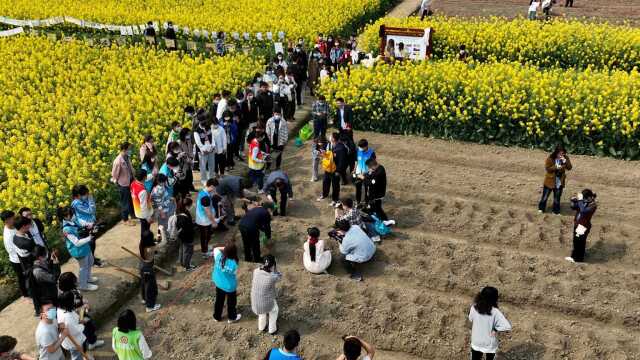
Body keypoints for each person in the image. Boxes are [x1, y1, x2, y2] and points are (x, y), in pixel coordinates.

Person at [57, 272, 104, 350]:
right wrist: (83, 308)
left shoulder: (66, 292)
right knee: (88, 328)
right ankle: (91, 343)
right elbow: (75, 310)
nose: (77, 280)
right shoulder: (71, 295)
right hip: (79, 316)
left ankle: (91, 341)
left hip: (78, 314)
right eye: (74, 280)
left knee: (88, 327)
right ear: (70, 283)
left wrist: (83, 301)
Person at [58, 206, 96, 292]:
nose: (73, 215)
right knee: (83, 267)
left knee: (90, 262)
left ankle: (89, 278)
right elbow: (76, 242)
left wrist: (89, 224)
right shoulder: (66, 229)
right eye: (71, 214)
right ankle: (83, 285)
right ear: (65, 217)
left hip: (85, 246)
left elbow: (81, 222)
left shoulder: (73, 220)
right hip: (78, 250)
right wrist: (89, 238)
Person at [468, 287, 512, 360]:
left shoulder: (474, 307)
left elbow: (470, 319)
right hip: (489, 343)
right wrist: (495, 329)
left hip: (476, 341)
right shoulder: (495, 312)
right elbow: (507, 326)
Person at [71, 185, 103, 268]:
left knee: (92, 242)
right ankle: (91, 261)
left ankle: (92, 259)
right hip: (85, 226)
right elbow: (91, 210)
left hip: (90, 224)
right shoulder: (76, 203)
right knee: (90, 243)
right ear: (78, 195)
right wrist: (90, 199)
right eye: (85, 194)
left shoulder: (80, 200)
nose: (87, 195)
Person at [251, 255, 282, 335]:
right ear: (272, 266)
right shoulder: (272, 277)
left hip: (255, 302)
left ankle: (262, 327)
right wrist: (275, 269)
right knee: (274, 310)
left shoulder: (256, 271)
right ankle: (272, 329)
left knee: (262, 313)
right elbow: (279, 276)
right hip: (266, 303)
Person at [211, 242, 241, 323]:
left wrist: (225, 248)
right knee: (231, 303)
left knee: (219, 300)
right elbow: (234, 273)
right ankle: (232, 317)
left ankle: (217, 316)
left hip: (218, 283)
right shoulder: (234, 263)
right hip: (229, 287)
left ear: (225, 250)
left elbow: (216, 249)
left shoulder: (218, 256)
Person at [565, 189, 598, 263]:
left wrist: (580, 201)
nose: (584, 200)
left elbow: (583, 211)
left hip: (582, 226)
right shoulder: (584, 202)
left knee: (579, 242)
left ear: (589, 197)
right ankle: (577, 257)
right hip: (578, 224)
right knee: (577, 241)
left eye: (585, 198)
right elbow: (574, 207)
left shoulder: (593, 205)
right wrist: (573, 201)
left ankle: (577, 258)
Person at [27, 246, 60, 318]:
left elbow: (48, 269)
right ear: (40, 257)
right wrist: (56, 265)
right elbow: (53, 278)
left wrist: (51, 260)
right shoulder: (38, 271)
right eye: (45, 254)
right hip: (47, 299)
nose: (47, 255)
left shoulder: (39, 263)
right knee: (54, 317)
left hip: (50, 294)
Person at [538, 145, 572, 214]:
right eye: (560, 153)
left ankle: (556, 211)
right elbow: (548, 169)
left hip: (559, 181)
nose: (561, 155)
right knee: (545, 197)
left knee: (557, 198)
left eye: (563, 153)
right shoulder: (550, 158)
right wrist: (556, 167)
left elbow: (569, 167)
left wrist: (565, 161)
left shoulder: (565, 158)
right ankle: (541, 209)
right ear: (556, 152)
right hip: (550, 181)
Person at [1, 210, 28, 298]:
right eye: (12, 218)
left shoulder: (14, 226)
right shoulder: (8, 235)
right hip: (17, 259)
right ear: (6, 221)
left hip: (23, 255)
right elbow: (11, 250)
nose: (14, 219)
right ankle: (25, 295)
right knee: (22, 278)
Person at [56, 292, 89, 360]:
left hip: (70, 339)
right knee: (77, 356)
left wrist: (81, 309)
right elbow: (76, 330)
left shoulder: (60, 309)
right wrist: (83, 322)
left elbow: (72, 313)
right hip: (74, 342)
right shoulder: (68, 318)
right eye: (73, 300)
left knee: (78, 353)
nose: (75, 301)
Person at [195, 179, 223, 258]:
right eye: (215, 188)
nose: (215, 190)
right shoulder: (205, 198)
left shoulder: (203, 191)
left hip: (204, 219)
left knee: (207, 235)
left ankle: (206, 248)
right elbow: (208, 212)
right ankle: (205, 252)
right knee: (205, 236)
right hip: (204, 221)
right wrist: (213, 222)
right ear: (211, 186)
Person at [318, 133, 347, 206]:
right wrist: (324, 153)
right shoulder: (330, 144)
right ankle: (325, 194)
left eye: (331, 136)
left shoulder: (341, 148)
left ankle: (335, 199)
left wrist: (338, 171)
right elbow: (329, 154)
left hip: (335, 170)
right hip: (328, 168)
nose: (329, 137)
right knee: (325, 182)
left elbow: (342, 161)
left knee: (335, 185)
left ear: (333, 139)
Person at [111, 142, 135, 226]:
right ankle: (125, 219)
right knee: (125, 202)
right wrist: (118, 183)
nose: (130, 151)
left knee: (131, 199)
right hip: (123, 184)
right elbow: (114, 174)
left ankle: (133, 215)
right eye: (129, 149)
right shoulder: (118, 161)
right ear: (124, 149)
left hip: (130, 181)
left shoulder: (127, 157)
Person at [139, 229, 161, 312]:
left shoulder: (142, 244)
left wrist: (155, 240)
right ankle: (150, 306)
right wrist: (161, 231)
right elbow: (164, 243)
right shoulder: (150, 248)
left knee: (144, 284)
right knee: (150, 288)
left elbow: (153, 243)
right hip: (148, 269)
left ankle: (144, 299)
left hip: (142, 267)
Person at [130, 169, 154, 242]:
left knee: (144, 229)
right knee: (145, 231)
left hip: (138, 211)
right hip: (144, 214)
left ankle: (145, 242)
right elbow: (143, 206)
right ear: (144, 177)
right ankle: (145, 244)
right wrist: (148, 217)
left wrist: (152, 174)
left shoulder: (133, 183)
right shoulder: (142, 191)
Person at [151, 174, 175, 243]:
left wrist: (170, 198)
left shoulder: (160, 187)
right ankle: (163, 238)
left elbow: (165, 195)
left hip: (164, 207)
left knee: (162, 224)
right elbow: (158, 204)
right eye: (164, 181)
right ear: (160, 182)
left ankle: (160, 236)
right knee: (163, 225)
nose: (165, 183)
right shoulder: (157, 190)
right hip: (162, 210)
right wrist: (162, 213)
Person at [194, 117, 216, 187]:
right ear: (199, 121)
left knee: (211, 165)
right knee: (203, 167)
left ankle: (211, 179)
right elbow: (198, 143)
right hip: (203, 151)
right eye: (203, 120)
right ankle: (204, 180)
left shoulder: (208, 127)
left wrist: (212, 146)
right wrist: (204, 150)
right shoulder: (196, 131)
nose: (205, 122)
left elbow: (212, 137)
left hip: (211, 149)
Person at [176, 198, 196, 271]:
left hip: (181, 236)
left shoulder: (178, 212)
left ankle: (182, 263)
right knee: (188, 251)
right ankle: (187, 266)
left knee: (182, 250)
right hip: (187, 237)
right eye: (190, 205)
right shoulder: (185, 215)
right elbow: (187, 228)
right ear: (187, 206)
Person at [353, 139, 376, 204]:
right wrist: (354, 169)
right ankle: (358, 201)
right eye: (359, 147)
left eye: (361, 147)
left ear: (366, 146)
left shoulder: (371, 153)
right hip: (358, 173)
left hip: (367, 174)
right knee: (358, 187)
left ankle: (367, 202)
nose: (360, 148)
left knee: (367, 189)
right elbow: (356, 161)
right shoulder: (358, 151)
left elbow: (372, 166)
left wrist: (365, 172)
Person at [248, 125, 269, 191]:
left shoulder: (254, 140)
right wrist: (262, 161)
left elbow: (256, 152)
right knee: (260, 177)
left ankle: (252, 186)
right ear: (260, 137)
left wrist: (264, 153)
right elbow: (254, 157)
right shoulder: (256, 146)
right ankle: (260, 189)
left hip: (251, 164)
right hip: (256, 165)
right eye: (263, 137)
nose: (263, 138)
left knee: (252, 177)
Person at [178, 127, 196, 194]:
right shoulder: (180, 142)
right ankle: (185, 191)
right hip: (183, 162)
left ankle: (190, 188)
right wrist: (187, 159)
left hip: (189, 161)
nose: (189, 135)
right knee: (184, 177)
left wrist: (191, 157)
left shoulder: (189, 141)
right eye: (188, 134)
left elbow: (191, 150)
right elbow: (181, 153)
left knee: (190, 175)